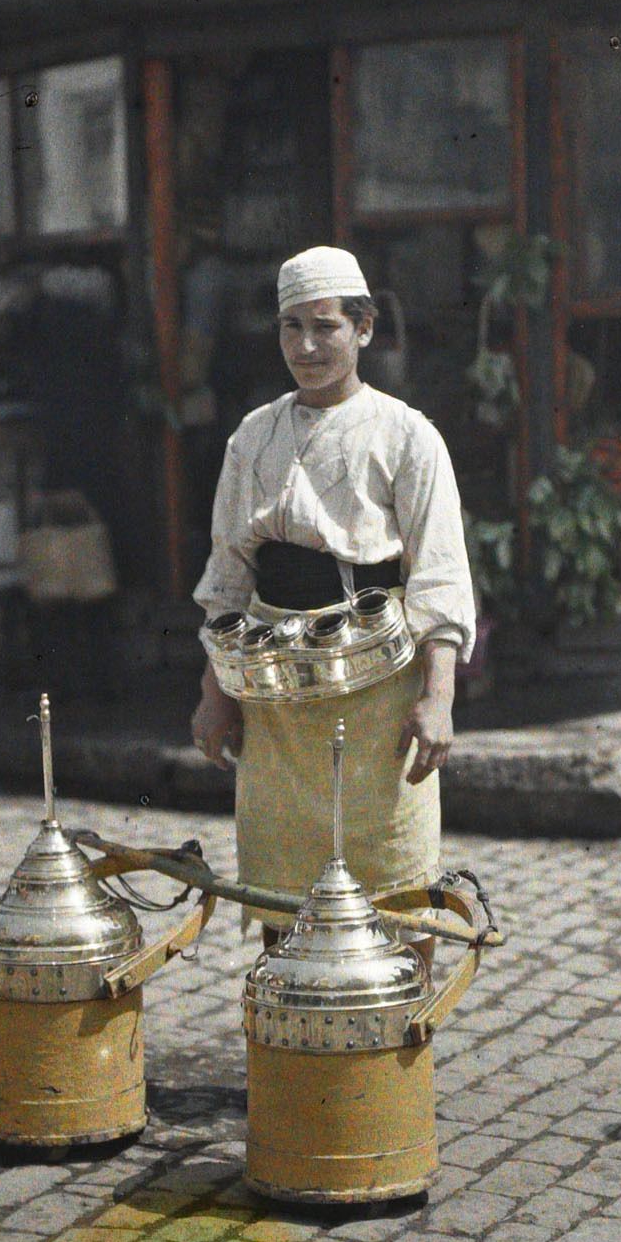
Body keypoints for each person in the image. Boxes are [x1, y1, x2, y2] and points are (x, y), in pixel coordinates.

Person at [191, 245, 477, 957]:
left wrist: (437, 697)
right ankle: (294, 1047)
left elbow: (440, 577)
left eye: (326, 327)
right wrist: (214, 692)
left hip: (377, 688)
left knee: (392, 879)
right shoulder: (252, 436)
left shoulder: (406, 435)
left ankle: (394, 1049)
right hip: (274, 687)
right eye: (292, 327)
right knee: (284, 885)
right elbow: (227, 577)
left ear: (364, 330)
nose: (308, 346)